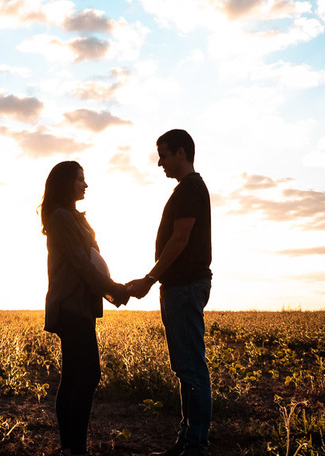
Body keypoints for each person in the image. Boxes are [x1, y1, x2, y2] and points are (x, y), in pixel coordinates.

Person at [126, 129, 212, 456]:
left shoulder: (190, 188)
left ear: (180, 152)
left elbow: (180, 239)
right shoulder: (186, 189)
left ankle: (196, 445)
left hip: (186, 286)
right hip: (178, 287)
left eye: (163, 155)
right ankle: (188, 440)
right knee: (184, 367)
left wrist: (149, 278)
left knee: (192, 368)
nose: (160, 163)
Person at [42, 160, 130, 456]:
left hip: (80, 305)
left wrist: (112, 288)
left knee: (73, 376)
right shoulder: (61, 218)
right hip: (70, 306)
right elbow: (81, 264)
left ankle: (70, 448)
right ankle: (76, 449)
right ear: (67, 182)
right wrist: (114, 289)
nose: (86, 184)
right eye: (81, 179)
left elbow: (90, 259)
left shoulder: (75, 218)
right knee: (88, 374)